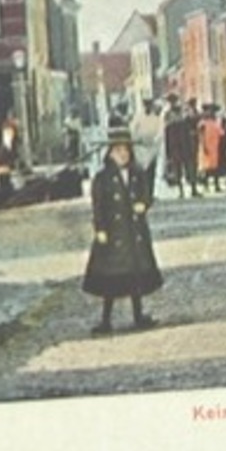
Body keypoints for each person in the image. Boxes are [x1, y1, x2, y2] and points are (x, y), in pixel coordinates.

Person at [82, 127, 163, 334]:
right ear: (110, 153)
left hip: (133, 232)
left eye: (126, 150)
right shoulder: (103, 178)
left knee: (135, 275)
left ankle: (139, 315)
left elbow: (147, 194)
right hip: (113, 233)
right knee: (111, 279)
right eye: (118, 150)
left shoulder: (137, 174)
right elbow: (98, 206)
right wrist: (100, 229)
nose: (123, 154)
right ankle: (105, 319)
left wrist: (144, 205)